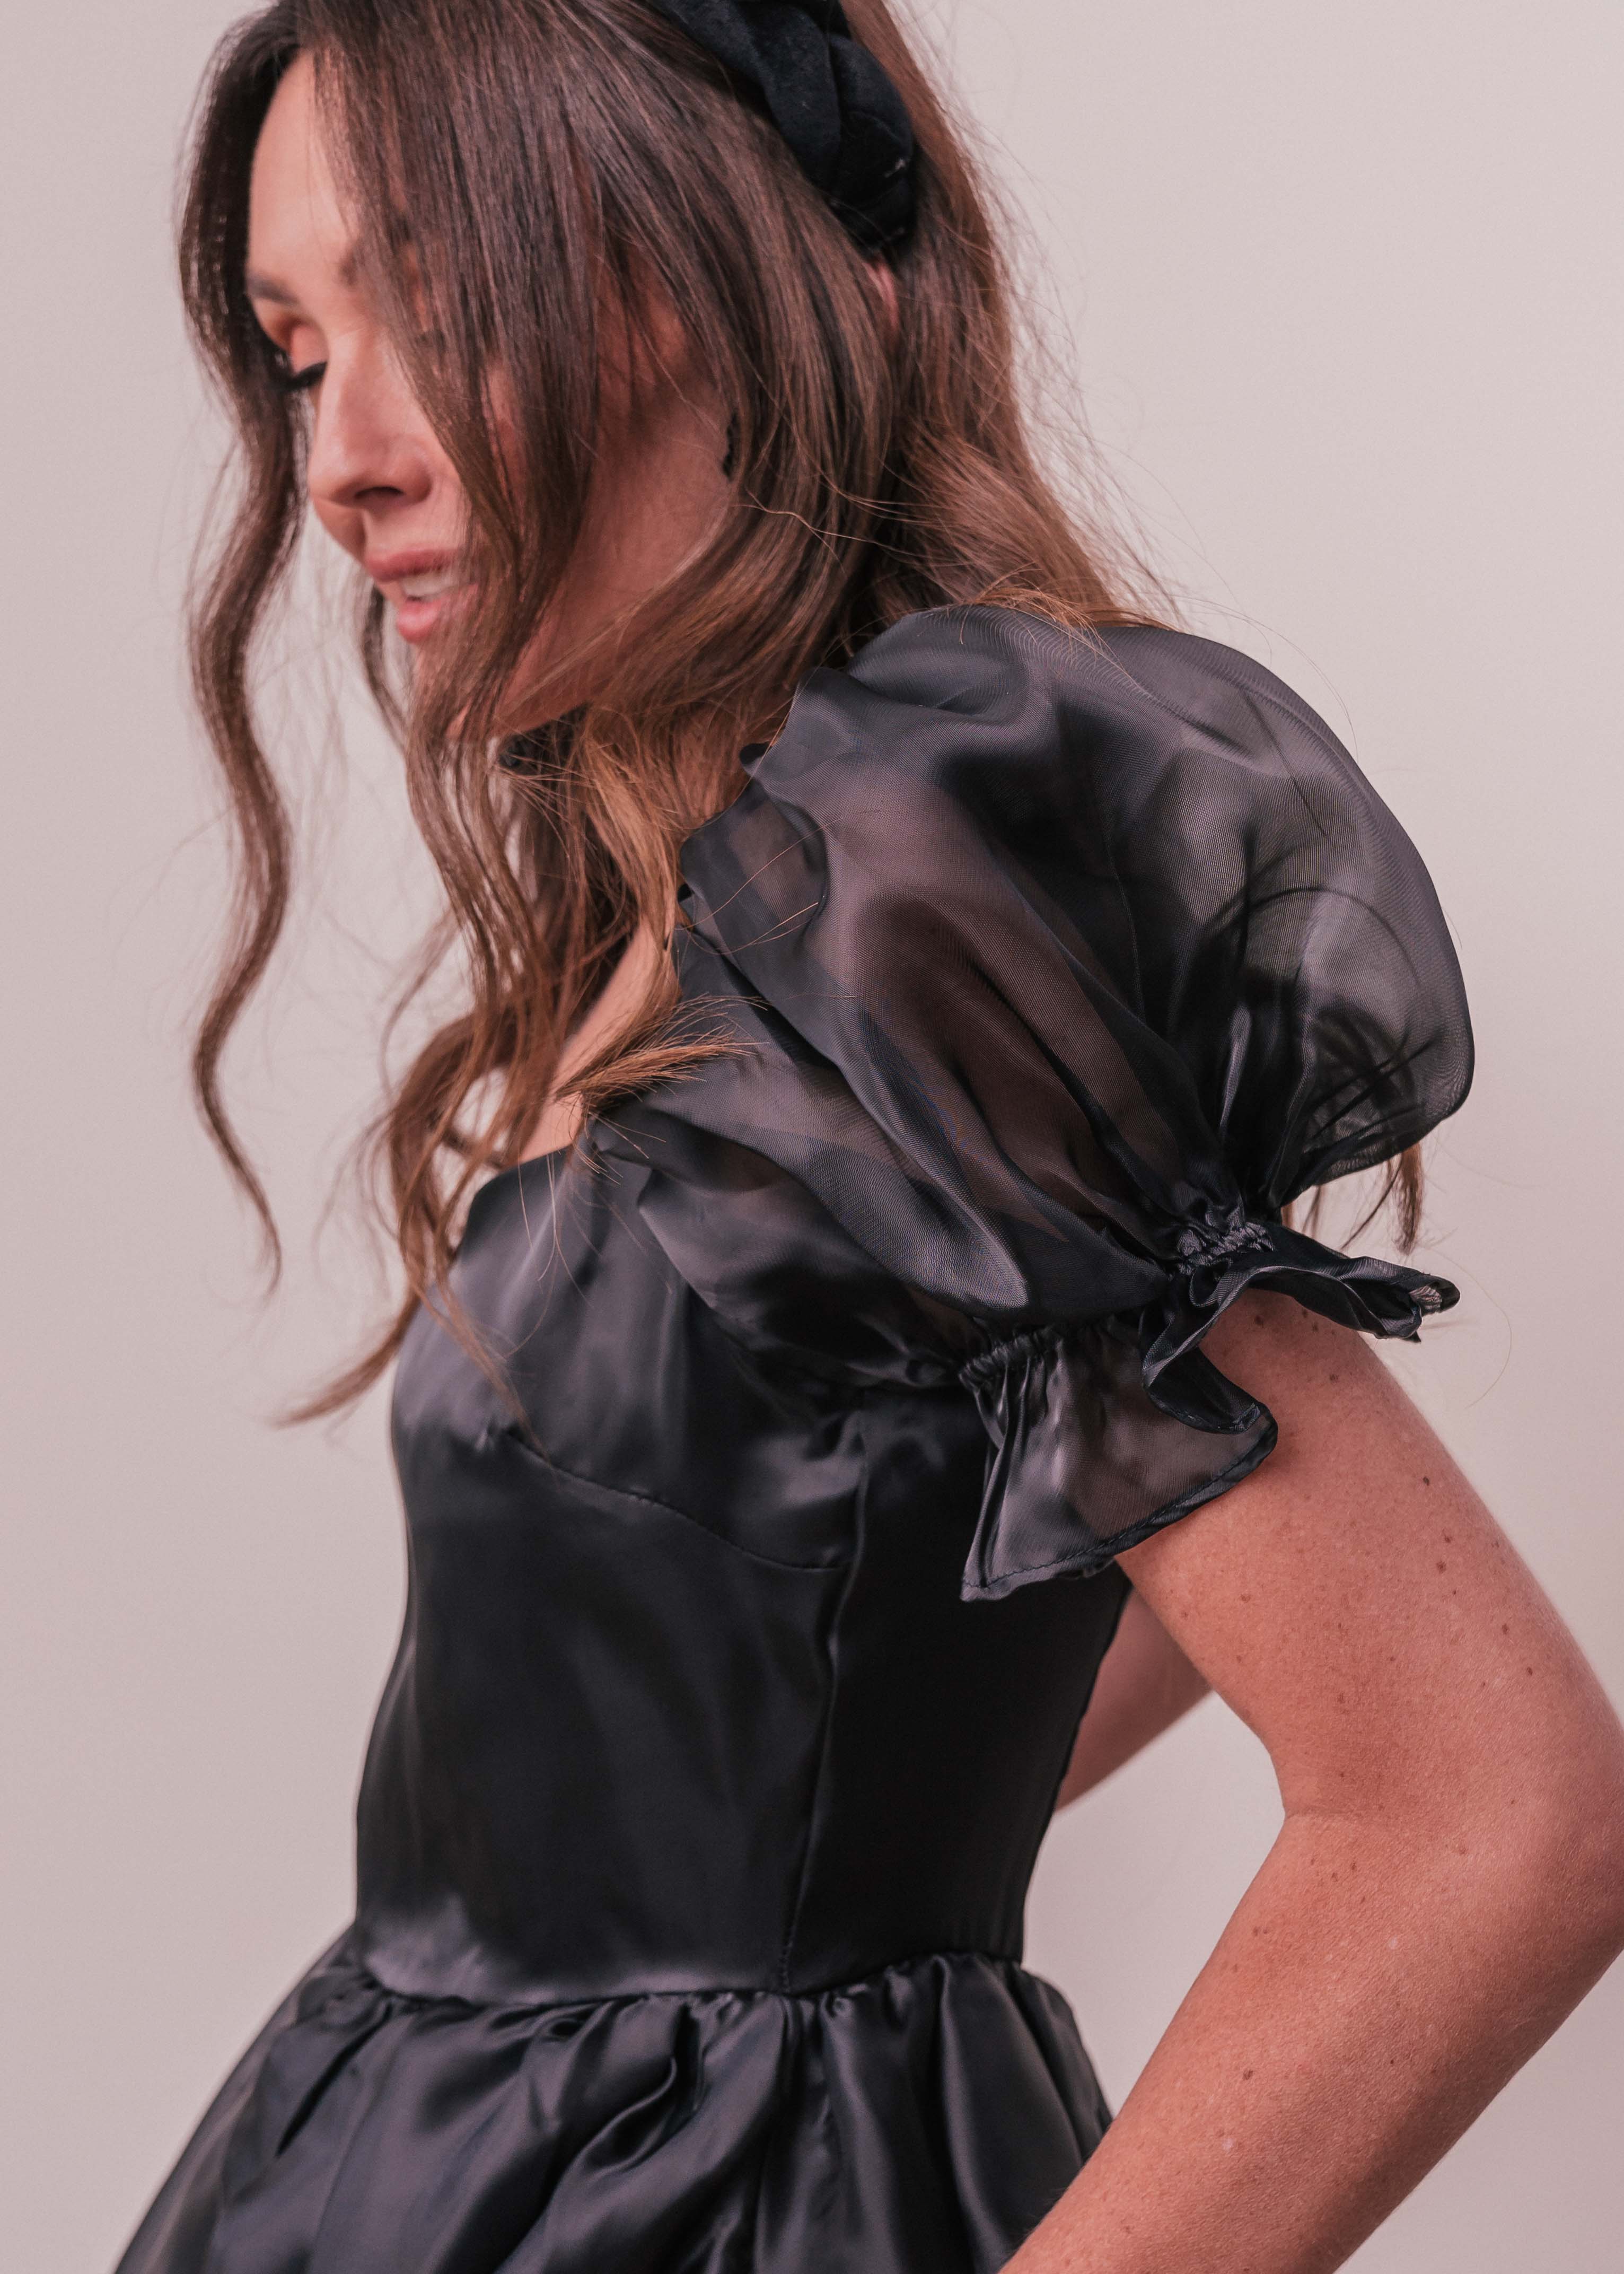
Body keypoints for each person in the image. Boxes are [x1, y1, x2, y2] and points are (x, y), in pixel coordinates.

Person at [118, 4, 1624, 2270]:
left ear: (709, 269)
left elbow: (1490, 1811)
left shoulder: (904, 877)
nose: (335, 458)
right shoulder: (706, 886)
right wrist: (832, 1802)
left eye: (428, 297)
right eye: (296, 349)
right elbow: (903, 1569)